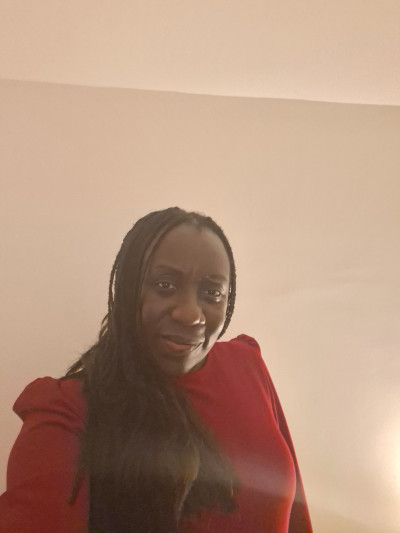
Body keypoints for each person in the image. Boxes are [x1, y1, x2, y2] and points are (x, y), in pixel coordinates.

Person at [0, 207, 313, 533]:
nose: (191, 315)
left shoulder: (246, 364)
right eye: (165, 285)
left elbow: (296, 516)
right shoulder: (65, 412)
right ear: (126, 290)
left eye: (212, 293)